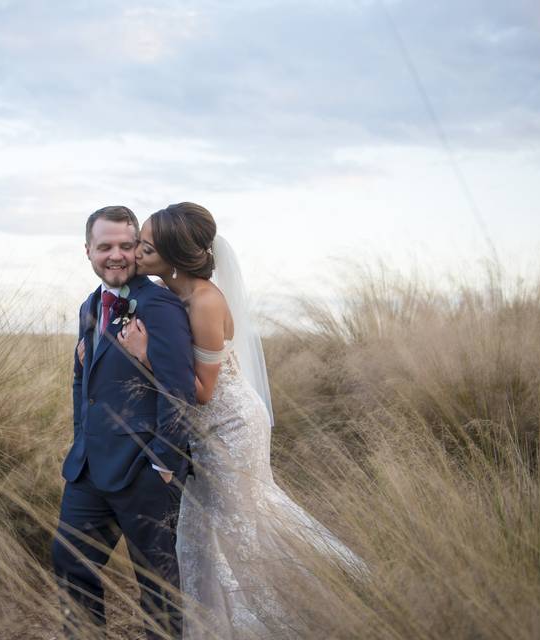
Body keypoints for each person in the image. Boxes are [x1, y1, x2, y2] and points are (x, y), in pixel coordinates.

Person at [116, 202, 365, 639]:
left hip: (230, 426)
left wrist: (144, 355)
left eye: (146, 246)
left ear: (173, 257)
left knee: (240, 533)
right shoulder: (171, 294)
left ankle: (293, 621)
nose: (136, 251)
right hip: (202, 430)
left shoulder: (206, 301)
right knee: (195, 538)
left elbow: (203, 391)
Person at [52, 205, 195, 639]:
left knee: (155, 587)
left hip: (145, 472)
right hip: (89, 470)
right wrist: (81, 441)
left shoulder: (160, 305)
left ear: (138, 249)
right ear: (88, 251)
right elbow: (85, 383)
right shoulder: (89, 305)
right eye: (105, 246)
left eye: (125, 246)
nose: (115, 255)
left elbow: (179, 390)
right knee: (69, 562)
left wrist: (164, 464)